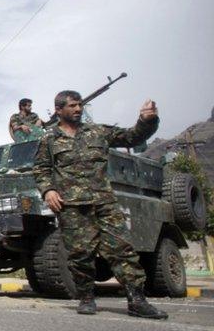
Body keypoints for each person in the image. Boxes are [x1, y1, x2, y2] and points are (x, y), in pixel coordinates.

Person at [33, 90, 167, 319]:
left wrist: (147, 120)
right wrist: (48, 190)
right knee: (80, 255)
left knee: (123, 251)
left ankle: (137, 300)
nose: (78, 109)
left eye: (79, 105)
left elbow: (132, 137)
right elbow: (41, 169)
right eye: (72, 106)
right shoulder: (49, 139)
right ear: (59, 110)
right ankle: (86, 297)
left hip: (104, 203)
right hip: (72, 207)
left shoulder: (98, 131)